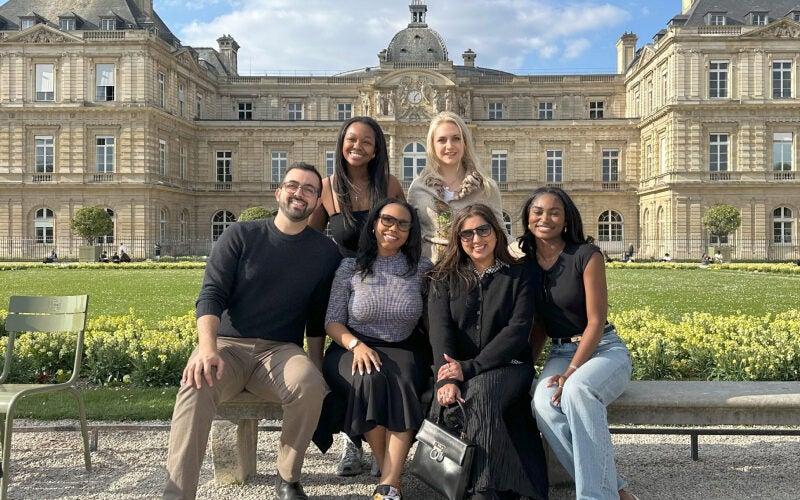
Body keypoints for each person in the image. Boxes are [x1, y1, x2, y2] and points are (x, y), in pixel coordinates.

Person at [163, 162, 342, 500]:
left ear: (318, 201)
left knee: (309, 384)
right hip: (227, 346)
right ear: (278, 192)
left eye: (309, 189)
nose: (299, 193)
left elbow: (317, 318)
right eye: (293, 185)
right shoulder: (241, 235)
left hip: (280, 351)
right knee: (196, 383)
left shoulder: (324, 252)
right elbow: (211, 295)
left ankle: (287, 478)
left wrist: (317, 365)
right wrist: (207, 349)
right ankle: (177, 494)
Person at [520, 186, 636, 500]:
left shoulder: (586, 255)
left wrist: (570, 372)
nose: (545, 218)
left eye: (554, 212)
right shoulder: (527, 264)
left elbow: (596, 321)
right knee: (543, 404)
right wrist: (525, 367)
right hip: (561, 351)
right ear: (528, 218)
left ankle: (597, 496)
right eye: (538, 212)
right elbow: (539, 325)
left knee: (577, 391)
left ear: (566, 219)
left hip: (603, 349)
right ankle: (616, 489)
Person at [428, 203, 548, 500]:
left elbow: (517, 332)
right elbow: (440, 333)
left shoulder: (519, 275)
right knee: (469, 396)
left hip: (510, 365)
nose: (476, 239)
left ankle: (481, 491)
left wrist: (468, 368)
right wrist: (447, 378)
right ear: (458, 240)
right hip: (458, 368)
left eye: (483, 230)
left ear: (496, 232)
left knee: (480, 392)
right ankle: (500, 486)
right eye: (467, 234)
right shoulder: (443, 277)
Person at [309, 116, 405, 477]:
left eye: (366, 141)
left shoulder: (389, 184)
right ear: (341, 143)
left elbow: (404, 232)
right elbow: (312, 241)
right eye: (351, 139)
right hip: (345, 286)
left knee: (380, 367)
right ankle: (354, 440)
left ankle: (373, 440)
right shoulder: (328, 187)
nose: (358, 147)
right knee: (350, 367)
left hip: (385, 286)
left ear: (377, 149)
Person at [321, 198, 432, 500]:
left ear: (410, 231)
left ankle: (388, 484)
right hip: (350, 346)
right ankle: (389, 476)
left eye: (403, 224)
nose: (393, 228)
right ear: (374, 224)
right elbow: (332, 321)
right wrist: (356, 345)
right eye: (387, 220)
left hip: (404, 346)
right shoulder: (350, 267)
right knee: (368, 378)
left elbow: (433, 320)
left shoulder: (421, 269)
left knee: (403, 380)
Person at [408, 111, 503, 263]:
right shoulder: (418, 188)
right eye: (442, 140)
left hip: (474, 271)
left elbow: (501, 234)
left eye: (456, 139)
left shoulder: (485, 187)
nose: (449, 146)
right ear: (432, 145)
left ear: (465, 142)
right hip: (430, 272)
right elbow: (411, 237)